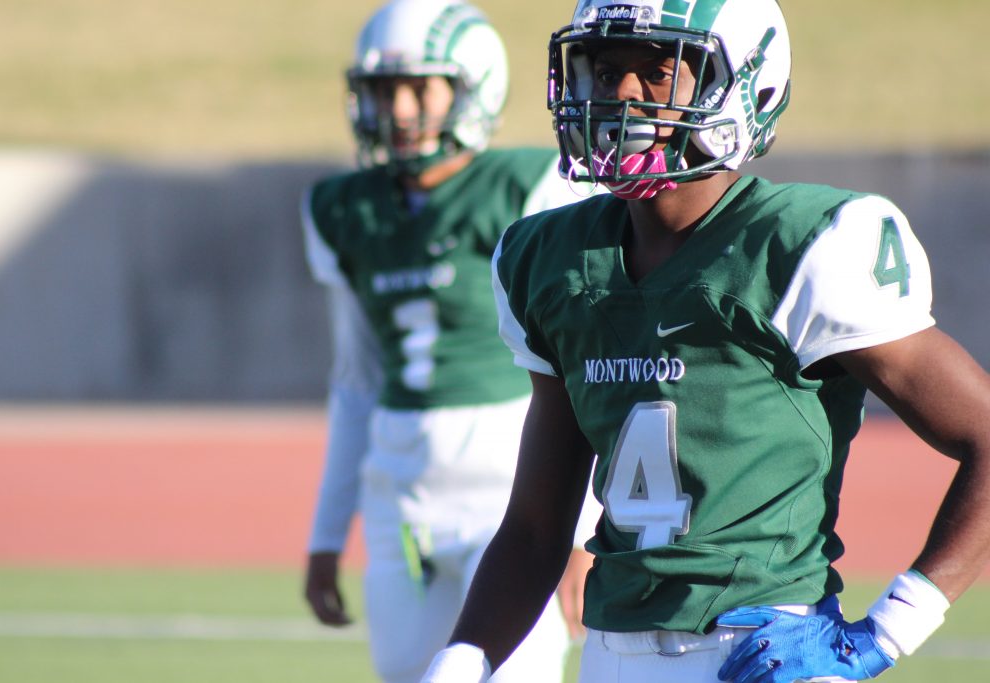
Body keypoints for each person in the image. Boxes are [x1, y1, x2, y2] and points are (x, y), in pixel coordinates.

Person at [419, 1, 990, 682]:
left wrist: (893, 626)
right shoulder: (551, 257)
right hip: (612, 653)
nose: (622, 94)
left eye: (657, 72)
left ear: (747, 85)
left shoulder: (802, 245)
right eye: (606, 71)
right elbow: (536, 527)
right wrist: (460, 660)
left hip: (765, 651)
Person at [301, 1, 600, 682]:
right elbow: (355, 379)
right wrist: (326, 534)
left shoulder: (527, 186)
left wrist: (584, 528)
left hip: (508, 490)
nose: (398, 109)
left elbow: (580, 368)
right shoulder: (344, 209)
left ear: (474, 87)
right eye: (383, 91)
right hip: (399, 494)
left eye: (418, 88)